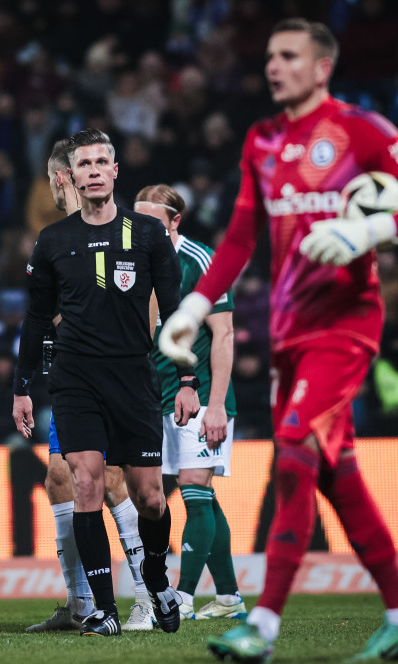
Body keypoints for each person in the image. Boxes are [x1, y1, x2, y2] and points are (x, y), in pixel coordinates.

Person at [159, 19, 398, 664]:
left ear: (322, 66)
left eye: (289, 55)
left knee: (294, 449)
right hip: (290, 332)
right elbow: (240, 238)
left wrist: (370, 230)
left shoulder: (360, 129)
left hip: (347, 323)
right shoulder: (263, 140)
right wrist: (192, 304)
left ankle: (260, 624)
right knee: (336, 472)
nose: (274, 66)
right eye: (270, 55)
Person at [12, 128, 194, 637]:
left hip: (134, 377)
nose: (92, 171)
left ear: (115, 171)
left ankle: (156, 580)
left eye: (101, 162)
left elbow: (175, 312)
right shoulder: (53, 240)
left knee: (149, 495)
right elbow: (34, 318)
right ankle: (101, 610)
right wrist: (22, 386)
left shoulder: (149, 234)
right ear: (70, 176)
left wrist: (187, 379)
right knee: (86, 483)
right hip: (75, 379)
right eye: (83, 164)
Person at [26, 140, 153, 634]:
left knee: (112, 482)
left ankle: (148, 594)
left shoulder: (116, 234)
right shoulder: (58, 239)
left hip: (113, 376)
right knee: (61, 478)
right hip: (71, 379)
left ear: (61, 179)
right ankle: (80, 604)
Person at [138, 184, 244, 621]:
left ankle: (180, 597)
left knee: (195, 492)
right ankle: (229, 598)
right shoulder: (137, 260)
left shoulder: (200, 262)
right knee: (199, 497)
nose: (143, 231)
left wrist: (215, 403)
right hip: (156, 396)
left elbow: (224, 334)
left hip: (198, 394)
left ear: (175, 222)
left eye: (154, 223)